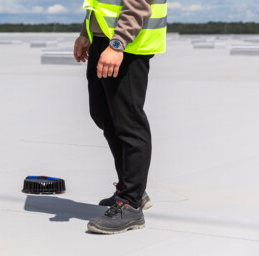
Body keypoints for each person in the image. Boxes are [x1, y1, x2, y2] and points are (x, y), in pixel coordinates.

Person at [73, 0, 167, 234]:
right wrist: (86, 32)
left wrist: (117, 44)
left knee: (129, 122)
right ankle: (132, 188)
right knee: (103, 115)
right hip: (102, 39)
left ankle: (131, 204)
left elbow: (139, 5)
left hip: (127, 44)